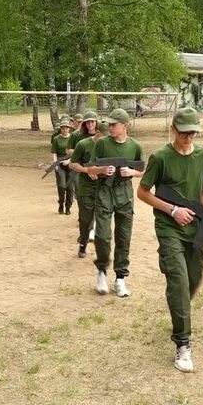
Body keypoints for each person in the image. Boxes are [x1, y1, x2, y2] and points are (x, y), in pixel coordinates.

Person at [136, 107, 203, 373]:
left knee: (194, 277)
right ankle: (182, 344)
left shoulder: (202, 155)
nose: (189, 136)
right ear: (173, 130)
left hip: (195, 229)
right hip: (169, 228)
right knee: (179, 281)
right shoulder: (161, 157)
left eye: (193, 131)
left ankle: (178, 306)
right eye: (184, 132)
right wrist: (172, 210)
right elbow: (142, 192)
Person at [85, 108, 143, 297]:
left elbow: (142, 169)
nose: (109, 127)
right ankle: (101, 269)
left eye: (113, 124)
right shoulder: (102, 144)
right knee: (102, 236)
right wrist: (102, 170)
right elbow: (90, 169)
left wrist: (131, 172)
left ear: (124, 126)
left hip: (125, 193)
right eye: (108, 124)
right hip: (104, 192)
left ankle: (120, 278)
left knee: (123, 237)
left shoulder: (135, 146)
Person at [69, 121, 109, 258]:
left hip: (103, 187)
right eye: (105, 135)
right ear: (97, 132)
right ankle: (83, 244)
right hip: (86, 188)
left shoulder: (109, 146)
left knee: (103, 219)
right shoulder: (83, 144)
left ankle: (101, 250)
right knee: (85, 219)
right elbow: (72, 164)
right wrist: (87, 170)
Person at [50, 117, 74, 215]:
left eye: (66, 128)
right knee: (61, 185)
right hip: (60, 164)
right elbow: (54, 152)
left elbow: (76, 152)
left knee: (70, 187)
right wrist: (55, 163)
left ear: (69, 128)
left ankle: (68, 206)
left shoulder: (73, 138)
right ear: (60, 129)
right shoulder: (56, 139)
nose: (65, 130)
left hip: (70, 164)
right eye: (63, 128)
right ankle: (61, 203)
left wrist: (69, 161)